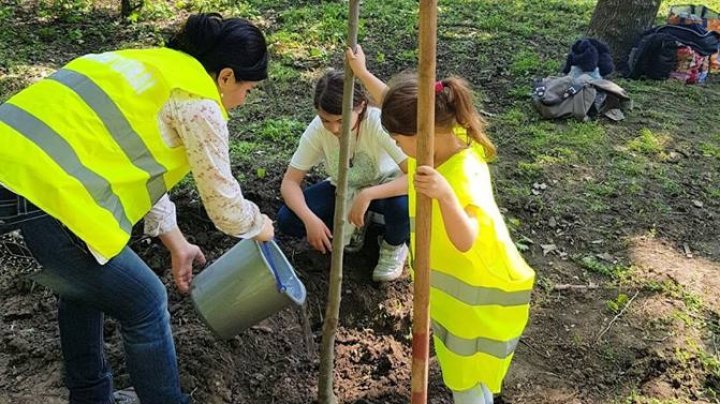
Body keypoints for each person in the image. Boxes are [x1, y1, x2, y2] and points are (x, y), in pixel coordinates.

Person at [0, 13, 274, 404]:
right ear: (226, 76)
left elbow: (127, 156)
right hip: (39, 198)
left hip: (10, 193)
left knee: (81, 286)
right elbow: (224, 207)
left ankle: (90, 396)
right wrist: (260, 226)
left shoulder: (146, 65)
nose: (244, 101)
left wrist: (176, 242)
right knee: (145, 301)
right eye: (248, 89)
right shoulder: (198, 100)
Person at [347, 45, 535, 403]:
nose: (398, 148)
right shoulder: (441, 144)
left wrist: (446, 197)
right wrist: (361, 72)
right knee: (464, 378)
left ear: (423, 134)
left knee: (468, 386)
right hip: (457, 299)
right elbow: (398, 103)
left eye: (400, 141)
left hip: (479, 305)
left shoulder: (463, 174)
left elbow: (466, 239)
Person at [277, 69, 410, 282]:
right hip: (345, 189)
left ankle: (393, 245)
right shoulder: (318, 131)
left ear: (361, 106)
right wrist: (310, 220)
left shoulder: (377, 123)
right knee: (288, 219)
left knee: (402, 205)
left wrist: (368, 195)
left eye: (340, 120)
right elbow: (290, 182)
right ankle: (355, 226)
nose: (333, 128)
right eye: (325, 120)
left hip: (385, 190)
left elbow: (414, 176)